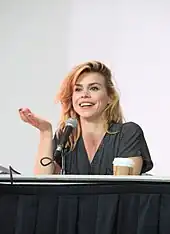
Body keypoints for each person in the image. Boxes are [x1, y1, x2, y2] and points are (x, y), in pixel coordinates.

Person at [18, 60, 153, 175]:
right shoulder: (66, 136)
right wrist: (45, 132)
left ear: (110, 97)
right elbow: (42, 183)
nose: (84, 95)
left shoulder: (127, 133)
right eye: (78, 89)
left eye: (94, 88)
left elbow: (126, 188)